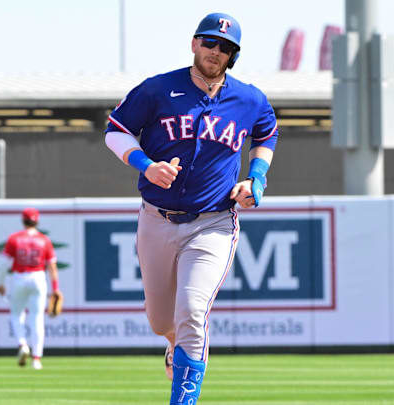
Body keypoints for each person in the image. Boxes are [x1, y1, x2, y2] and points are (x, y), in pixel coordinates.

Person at [104, 12, 278, 405]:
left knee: (193, 310)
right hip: (156, 218)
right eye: (209, 42)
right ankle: (173, 344)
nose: (215, 51)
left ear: (233, 55)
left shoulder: (248, 98)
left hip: (213, 222)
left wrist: (257, 178)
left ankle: (183, 400)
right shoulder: (158, 89)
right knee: (161, 320)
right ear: (194, 43)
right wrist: (145, 165)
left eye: (225, 47)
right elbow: (116, 130)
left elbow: (267, 131)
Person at [0, 207, 59, 370]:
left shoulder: (14, 239)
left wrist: (0, 282)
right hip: (38, 277)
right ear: (37, 221)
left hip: (20, 277)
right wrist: (55, 288)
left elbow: (3, 264)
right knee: (37, 318)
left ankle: (22, 344)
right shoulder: (44, 240)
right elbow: (52, 267)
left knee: (17, 315)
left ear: (23, 220)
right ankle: (37, 359)